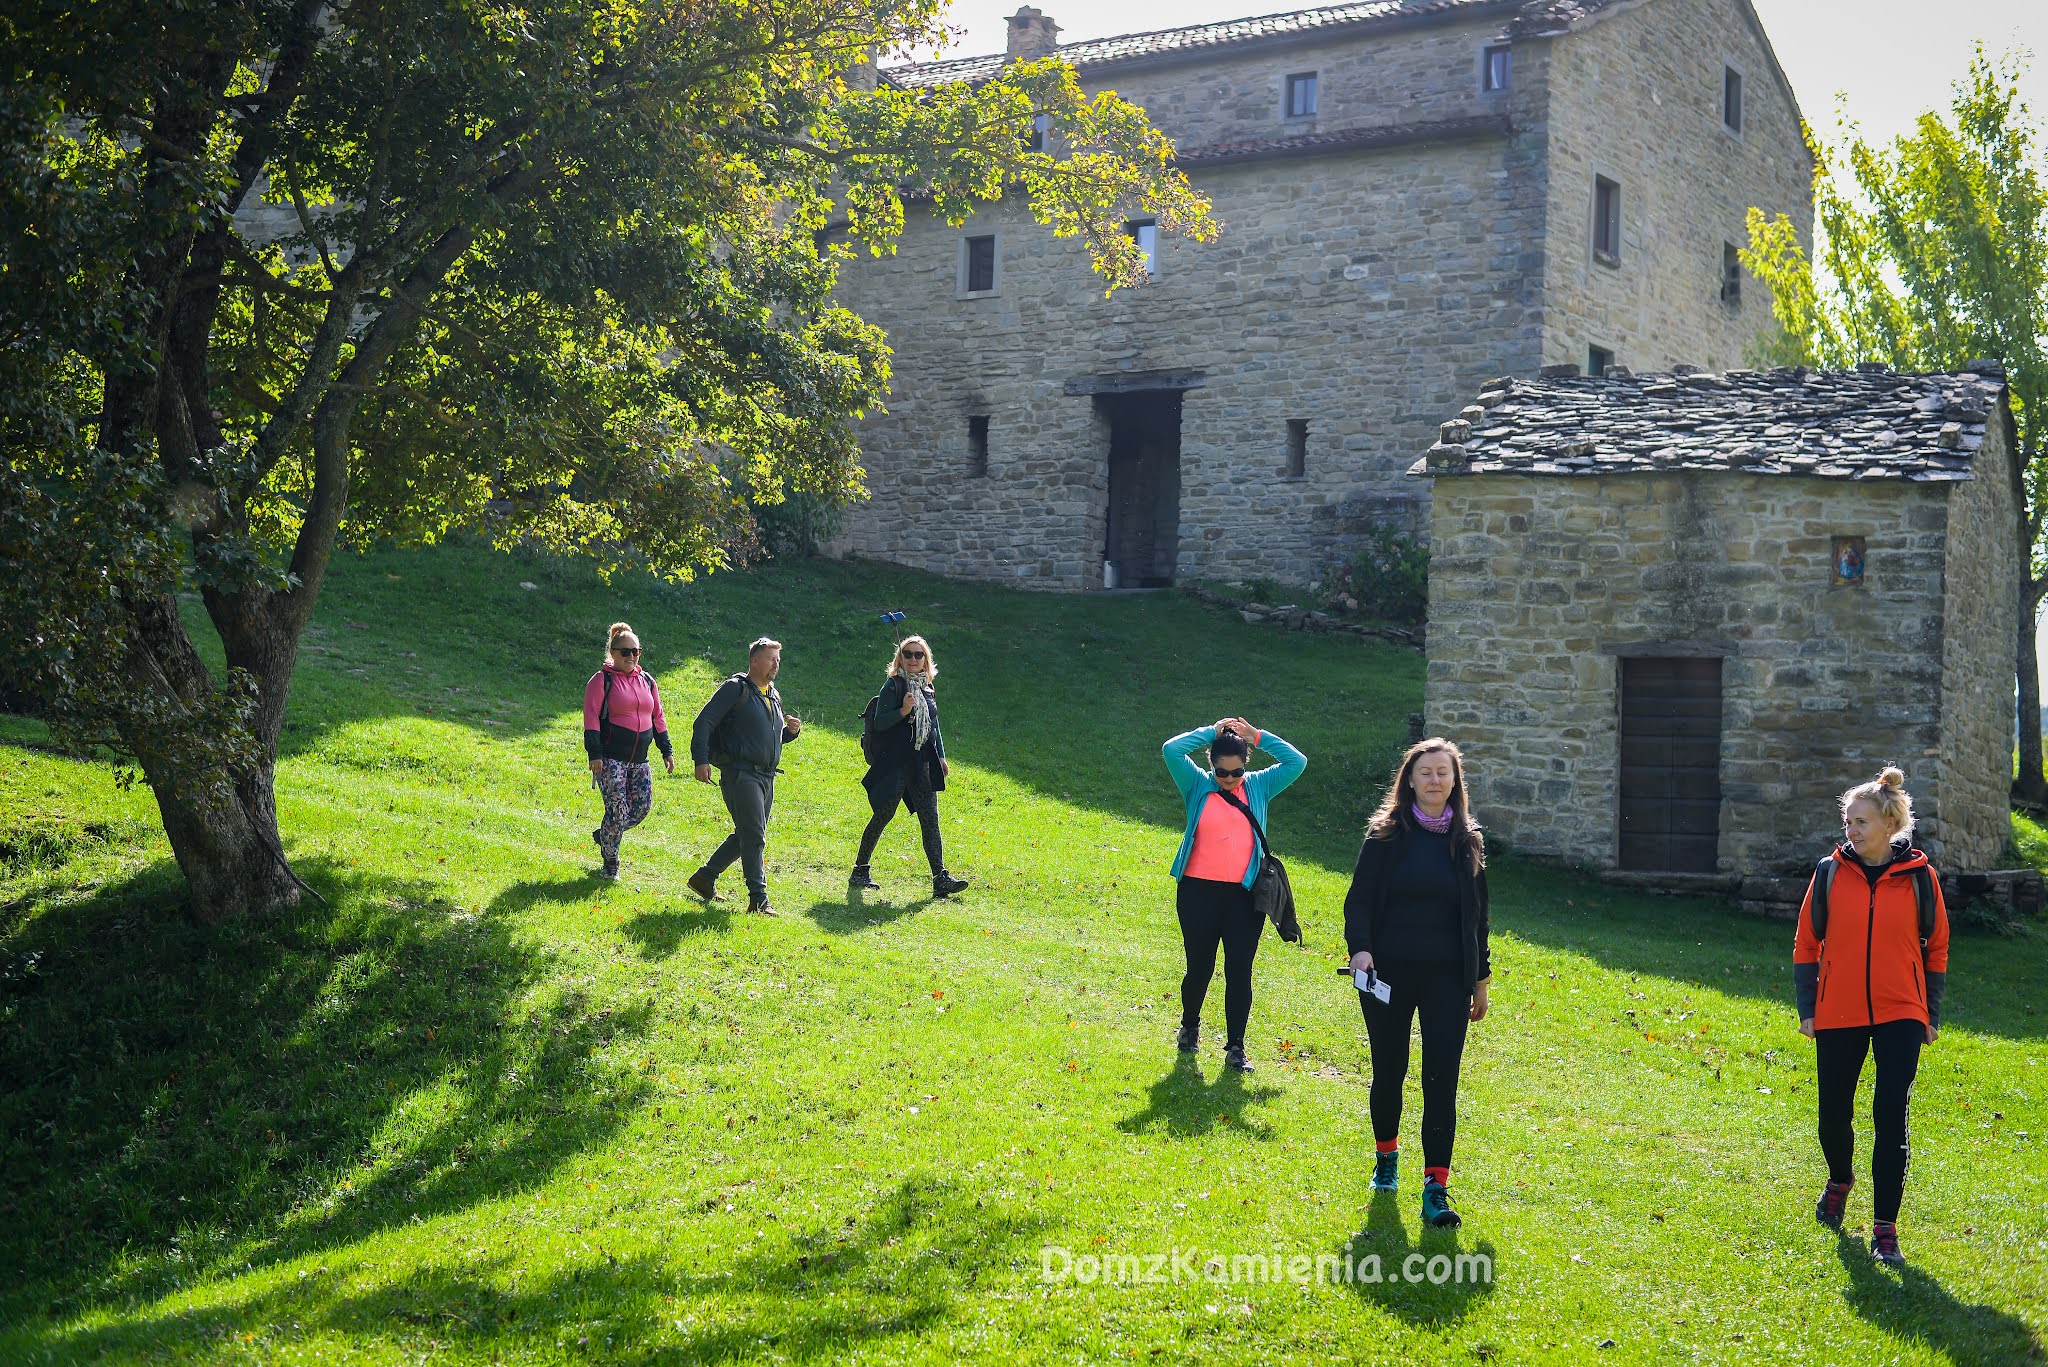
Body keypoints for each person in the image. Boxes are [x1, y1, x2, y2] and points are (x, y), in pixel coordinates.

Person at [1795, 766, 1949, 1269]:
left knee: (1890, 1116)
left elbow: (1937, 947)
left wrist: (1930, 1011)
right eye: (1849, 822)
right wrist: (1807, 1007)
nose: (1852, 831)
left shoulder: (1921, 878)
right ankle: (1840, 1179)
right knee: (1833, 1114)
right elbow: (1807, 943)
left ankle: (1886, 1229)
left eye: (1862, 822)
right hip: (1837, 1008)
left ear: (1890, 824)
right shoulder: (1829, 873)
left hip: (1902, 1009)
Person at [1343, 737, 1491, 1230]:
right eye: (1425, 772)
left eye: (1443, 772)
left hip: (1449, 979)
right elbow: (1359, 899)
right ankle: (1386, 1160)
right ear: (1409, 779)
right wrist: (1360, 948)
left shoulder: (1467, 839)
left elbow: (1479, 918)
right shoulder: (1386, 836)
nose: (1434, 780)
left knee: (1440, 1079)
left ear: (1455, 781)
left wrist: (1481, 981)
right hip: (1387, 973)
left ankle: (1436, 1186)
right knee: (1389, 1069)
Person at [1161, 716, 1307, 1072]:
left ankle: (1236, 1048)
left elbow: (1296, 761)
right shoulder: (1196, 784)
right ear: (1210, 763)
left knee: (1239, 970)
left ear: (1246, 766)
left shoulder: (1258, 786)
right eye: (1222, 772)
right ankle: (1190, 1027)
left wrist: (1256, 736)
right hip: (1197, 893)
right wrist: (1210, 733)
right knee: (1200, 968)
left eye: (1236, 772)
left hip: (1244, 897)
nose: (1229, 780)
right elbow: (1171, 749)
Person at [686, 637, 801, 915]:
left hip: (766, 776)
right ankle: (758, 900)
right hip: (740, 774)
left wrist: (789, 734)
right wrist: (701, 760)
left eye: (778, 659)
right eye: (771, 658)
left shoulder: (772, 693)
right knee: (754, 835)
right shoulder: (735, 688)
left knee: (747, 834)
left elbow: (762, 739)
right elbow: (704, 722)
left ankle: (704, 878)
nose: (776, 664)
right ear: (754, 661)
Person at [849, 635, 969, 899]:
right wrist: (902, 711)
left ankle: (940, 877)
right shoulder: (893, 686)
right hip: (896, 762)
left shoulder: (928, 689)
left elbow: (934, 726)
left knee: (930, 819)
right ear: (899, 659)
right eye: (908, 654)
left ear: (926, 660)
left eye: (918, 655)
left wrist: (940, 756)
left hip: (922, 761)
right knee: (883, 814)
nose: (913, 659)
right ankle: (860, 870)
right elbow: (880, 723)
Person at [581, 622, 674, 879]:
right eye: (625, 652)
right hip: (611, 759)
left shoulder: (647, 681)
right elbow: (591, 719)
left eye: (636, 651)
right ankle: (610, 862)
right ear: (612, 652)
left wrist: (666, 750)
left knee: (641, 809)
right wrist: (595, 755)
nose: (631, 656)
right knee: (618, 812)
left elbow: (658, 717)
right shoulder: (601, 681)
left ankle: (606, 835)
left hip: (639, 761)